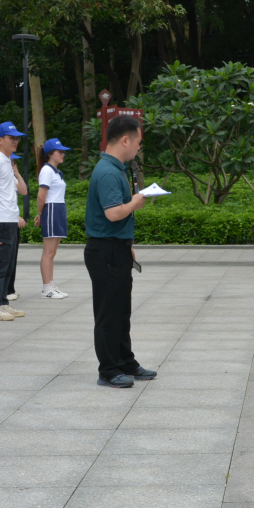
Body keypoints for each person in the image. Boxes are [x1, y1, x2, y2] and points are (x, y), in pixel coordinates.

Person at [84, 114, 156, 388]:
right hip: (106, 251)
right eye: (138, 142)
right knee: (108, 312)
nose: (139, 147)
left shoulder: (116, 168)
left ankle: (125, 362)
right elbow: (113, 213)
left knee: (121, 311)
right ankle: (109, 370)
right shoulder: (108, 172)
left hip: (117, 248)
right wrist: (135, 202)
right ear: (125, 140)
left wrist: (129, 245)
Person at [0, 122, 29, 321]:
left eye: (17, 138)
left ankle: (3, 302)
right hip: (0, 219)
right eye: (12, 138)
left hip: (10, 219)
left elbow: (20, 190)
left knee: (8, 265)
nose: (15, 141)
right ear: (0, 140)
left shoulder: (7, 161)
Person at [34, 137, 72, 298]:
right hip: (51, 209)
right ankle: (46, 288)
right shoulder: (47, 170)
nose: (62, 154)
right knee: (48, 252)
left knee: (53, 252)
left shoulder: (56, 171)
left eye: (63, 151)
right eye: (59, 151)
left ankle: (51, 285)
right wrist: (41, 214)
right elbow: (41, 196)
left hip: (58, 209)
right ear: (50, 154)